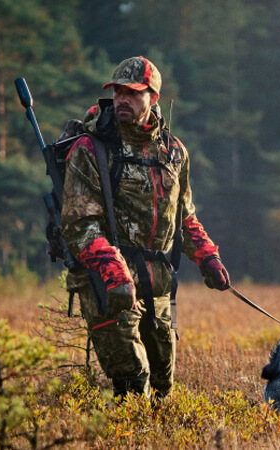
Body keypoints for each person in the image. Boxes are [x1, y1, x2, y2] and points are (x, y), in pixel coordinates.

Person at [61, 56, 231, 400]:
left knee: (162, 389)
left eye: (133, 93)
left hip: (158, 285)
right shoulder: (90, 149)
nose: (123, 99)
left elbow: (184, 216)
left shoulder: (174, 152)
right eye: (119, 91)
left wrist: (208, 258)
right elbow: (80, 225)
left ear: (153, 98)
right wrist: (114, 273)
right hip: (107, 285)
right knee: (133, 384)